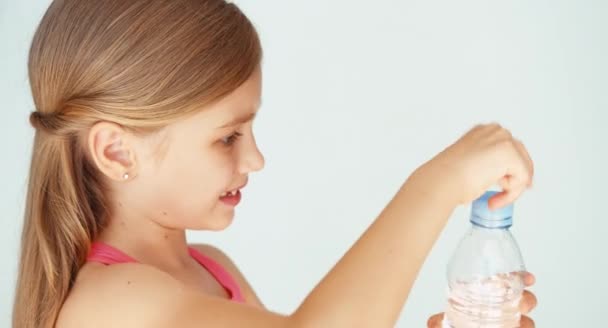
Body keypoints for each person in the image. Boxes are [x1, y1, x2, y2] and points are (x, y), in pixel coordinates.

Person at [13, 1, 537, 327]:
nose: (255, 158)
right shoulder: (110, 306)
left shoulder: (213, 271)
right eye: (227, 137)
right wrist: (436, 184)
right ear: (116, 151)